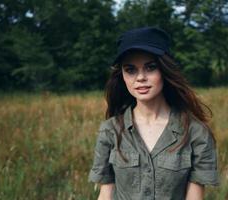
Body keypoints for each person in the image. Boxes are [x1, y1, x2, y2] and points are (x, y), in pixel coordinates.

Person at [88, 27, 219, 200]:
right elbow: (106, 195)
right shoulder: (110, 131)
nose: (140, 77)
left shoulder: (195, 132)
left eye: (150, 67)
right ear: (122, 76)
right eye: (130, 69)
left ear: (164, 70)